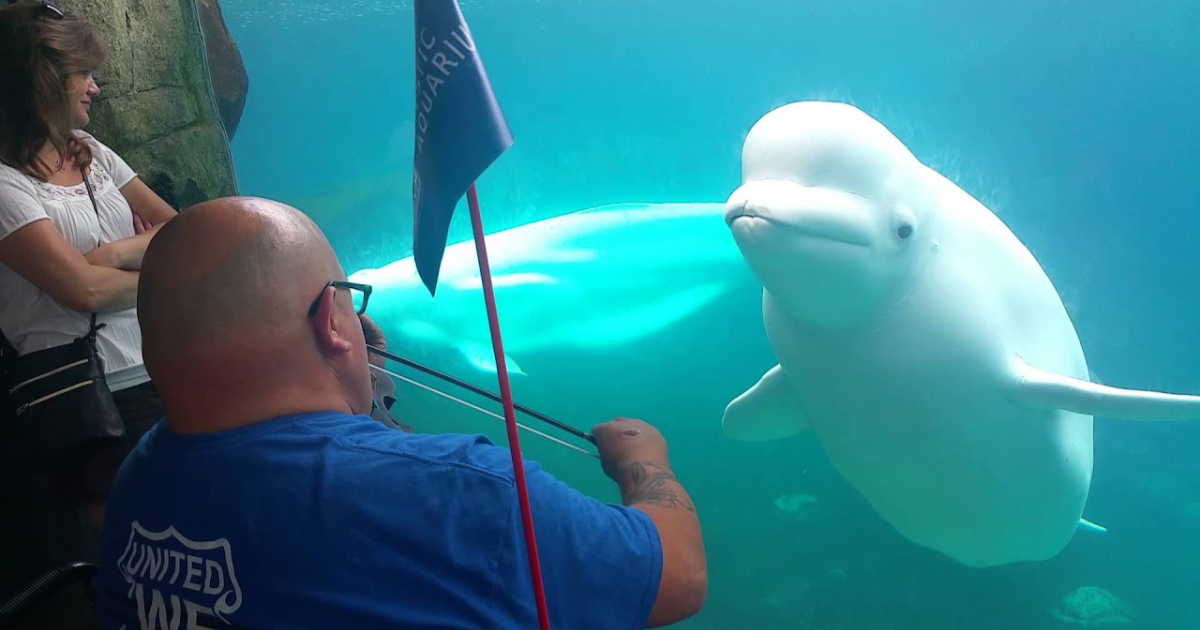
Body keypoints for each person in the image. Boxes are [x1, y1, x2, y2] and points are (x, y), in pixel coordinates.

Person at [92, 196, 708, 629]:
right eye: (346, 304)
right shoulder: (461, 490)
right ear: (334, 323)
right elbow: (675, 578)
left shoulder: (139, 478)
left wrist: (365, 387)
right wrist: (643, 461)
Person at [0, 1, 178, 534]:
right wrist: (160, 272)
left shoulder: (92, 152)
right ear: (43, 81)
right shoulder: (5, 184)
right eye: (82, 74)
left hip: (159, 361)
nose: (95, 87)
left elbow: (181, 231)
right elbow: (83, 292)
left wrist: (112, 256)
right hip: (87, 391)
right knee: (137, 536)